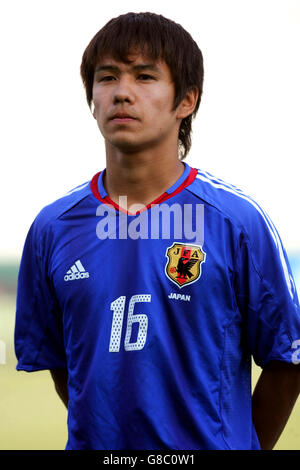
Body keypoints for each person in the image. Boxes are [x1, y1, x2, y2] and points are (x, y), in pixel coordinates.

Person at [14, 12, 300, 451]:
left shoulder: (237, 222)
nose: (122, 93)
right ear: (91, 98)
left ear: (186, 100)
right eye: (107, 77)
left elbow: (289, 360)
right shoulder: (53, 227)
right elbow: (61, 363)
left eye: (144, 76)